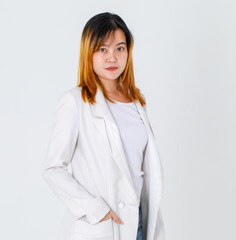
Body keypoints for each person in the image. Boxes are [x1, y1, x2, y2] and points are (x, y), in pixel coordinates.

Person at [42, 12, 165, 240]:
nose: (112, 58)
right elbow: (53, 168)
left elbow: (142, 172)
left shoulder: (137, 103)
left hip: (137, 223)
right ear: (88, 52)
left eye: (120, 48)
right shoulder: (75, 101)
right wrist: (97, 210)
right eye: (103, 49)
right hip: (103, 226)